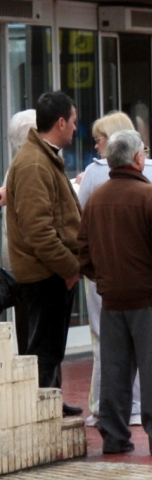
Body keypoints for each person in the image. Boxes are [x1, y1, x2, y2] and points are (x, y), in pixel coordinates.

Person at [78, 130, 152, 455]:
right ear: (138, 159)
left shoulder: (96, 200)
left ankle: (114, 437)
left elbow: (83, 254)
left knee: (114, 372)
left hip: (112, 299)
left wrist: (105, 278)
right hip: (150, 299)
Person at [78, 111, 152, 428]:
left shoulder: (95, 180)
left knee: (109, 350)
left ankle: (109, 419)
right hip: (148, 287)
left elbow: (82, 234)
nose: (96, 146)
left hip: (109, 285)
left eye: (100, 139)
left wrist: (96, 274)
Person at [4, 92, 82, 415]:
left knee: (50, 349)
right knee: (44, 350)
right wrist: (69, 267)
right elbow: (38, 231)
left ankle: (50, 405)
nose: (76, 128)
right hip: (46, 274)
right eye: (73, 121)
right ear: (60, 122)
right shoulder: (34, 162)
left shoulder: (43, 157)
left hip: (52, 272)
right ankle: (41, 413)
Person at [1, 109, 37, 355]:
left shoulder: (15, 168)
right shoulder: (27, 169)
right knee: (35, 340)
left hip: (17, 264)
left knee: (30, 337)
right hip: (27, 266)